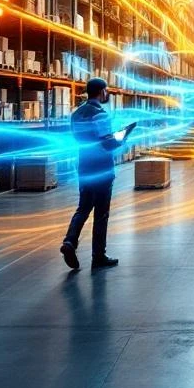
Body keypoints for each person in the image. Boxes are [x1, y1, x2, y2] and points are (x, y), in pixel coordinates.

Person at [60, 77, 123, 271]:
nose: (108, 94)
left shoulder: (76, 114)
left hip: (85, 166)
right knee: (101, 213)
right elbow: (107, 143)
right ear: (102, 91)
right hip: (102, 168)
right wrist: (121, 139)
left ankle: (70, 241)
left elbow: (79, 139)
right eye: (107, 91)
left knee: (83, 207)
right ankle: (98, 256)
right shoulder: (101, 114)